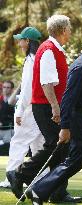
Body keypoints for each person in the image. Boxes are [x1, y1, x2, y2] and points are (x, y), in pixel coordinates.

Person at [25, 30, 82, 205]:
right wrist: (65, 127)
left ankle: (39, 190)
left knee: (75, 162)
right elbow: (68, 98)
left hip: (81, 119)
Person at [7, 15, 82, 203]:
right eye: (69, 28)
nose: (71, 32)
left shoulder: (52, 49)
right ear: (63, 30)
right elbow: (47, 83)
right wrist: (56, 108)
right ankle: (21, 175)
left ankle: (55, 192)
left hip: (47, 105)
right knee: (57, 147)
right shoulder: (49, 50)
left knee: (59, 149)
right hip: (46, 106)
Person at [0, 27, 46, 188]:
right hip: (40, 107)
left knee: (19, 141)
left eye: (21, 40)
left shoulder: (31, 60)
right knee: (39, 143)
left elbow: (26, 89)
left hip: (29, 108)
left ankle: (11, 176)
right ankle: (42, 179)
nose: (19, 43)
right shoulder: (39, 59)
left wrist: (19, 111)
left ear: (27, 41)